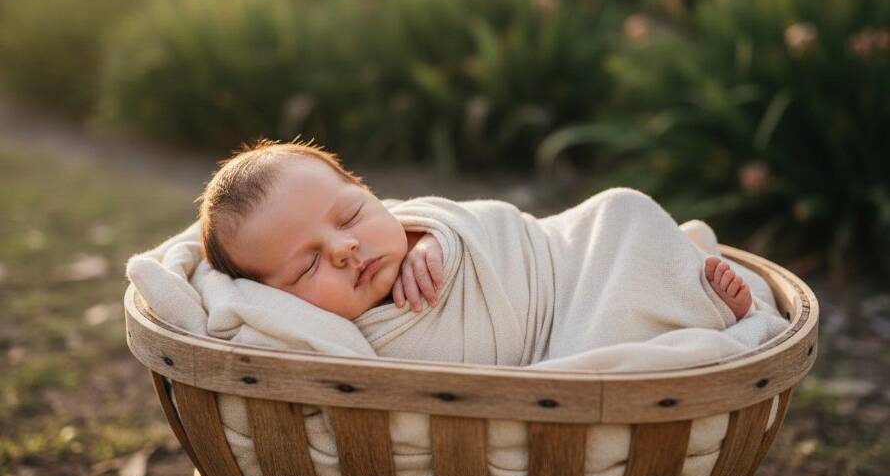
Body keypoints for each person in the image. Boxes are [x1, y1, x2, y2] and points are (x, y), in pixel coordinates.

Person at [199, 139, 752, 322]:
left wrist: (441, 239)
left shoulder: (417, 230)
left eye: (350, 216)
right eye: (308, 265)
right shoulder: (328, 338)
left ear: (370, 194)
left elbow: (491, 222)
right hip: (548, 327)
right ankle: (687, 298)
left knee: (619, 213)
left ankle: (679, 273)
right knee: (611, 324)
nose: (345, 248)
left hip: (556, 262)